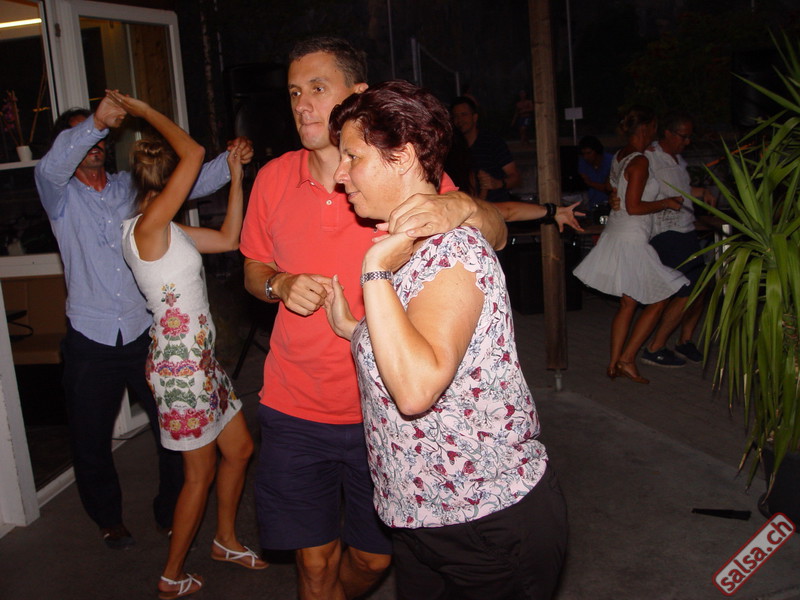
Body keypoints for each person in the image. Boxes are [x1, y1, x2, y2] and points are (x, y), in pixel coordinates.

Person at [239, 36, 508, 600]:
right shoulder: (273, 178)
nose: (303, 105)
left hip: (385, 411)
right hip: (294, 407)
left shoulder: (395, 177)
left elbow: (496, 234)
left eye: (318, 88)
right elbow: (252, 268)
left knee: (372, 558)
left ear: (357, 95)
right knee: (313, 565)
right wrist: (278, 283)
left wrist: (461, 204)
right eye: (294, 92)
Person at [324, 80, 567, 600]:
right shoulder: (407, 244)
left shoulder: (451, 250)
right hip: (422, 516)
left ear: (404, 155)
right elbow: (415, 340)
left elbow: (416, 389)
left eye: (352, 156)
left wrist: (373, 270)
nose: (339, 174)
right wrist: (355, 329)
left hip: (485, 521)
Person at [34, 98, 250, 549]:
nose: (94, 145)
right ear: (69, 144)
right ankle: (108, 518)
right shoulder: (58, 193)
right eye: (83, 138)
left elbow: (184, 182)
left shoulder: (127, 189)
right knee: (90, 438)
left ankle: (170, 511)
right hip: (90, 338)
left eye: (99, 139)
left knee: (170, 434)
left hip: (143, 333)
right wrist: (95, 123)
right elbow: (53, 165)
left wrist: (231, 162)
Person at [105, 90, 266, 599]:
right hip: (180, 370)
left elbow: (231, 239)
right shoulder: (146, 231)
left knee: (239, 449)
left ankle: (224, 540)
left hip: (202, 364)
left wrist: (236, 176)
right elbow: (194, 153)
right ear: (173, 181)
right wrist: (143, 112)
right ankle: (171, 575)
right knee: (199, 473)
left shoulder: (170, 230)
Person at [572, 106, 688, 383]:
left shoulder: (620, 156)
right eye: (654, 128)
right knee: (662, 296)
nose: (655, 134)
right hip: (631, 236)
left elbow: (613, 188)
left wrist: (614, 196)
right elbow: (634, 207)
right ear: (645, 128)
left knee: (628, 301)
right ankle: (626, 358)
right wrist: (666, 202)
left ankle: (614, 363)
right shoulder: (640, 161)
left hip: (618, 231)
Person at [641, 112, 716, 368]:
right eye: (683, 136)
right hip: (666, 231)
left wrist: (701, 192)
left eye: (689, 137)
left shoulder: (678, 160)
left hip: (686, 228)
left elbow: (681, 190)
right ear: (668, 133)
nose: (687, 142)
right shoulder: (650, 157)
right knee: (685, 287)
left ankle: (684, 340)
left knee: (700, 285)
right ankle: (655, 347)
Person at [451, 95, 521, 203]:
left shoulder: (492, 142)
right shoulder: (452, 148)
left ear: (475, 117)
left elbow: (516, 178)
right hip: (469, 208)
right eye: (455, 116)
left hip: (498, 206)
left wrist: (497, 183)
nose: (459, 120)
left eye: (464, 115)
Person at [577, 135, 613, 214]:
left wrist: (590, 183)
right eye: (583, 154)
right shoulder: (583, 162)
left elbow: (609, 188)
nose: (586, 157)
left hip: (609, 207)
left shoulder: (611, 162)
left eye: (589, 153)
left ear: (597, 151)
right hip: (589, 207)